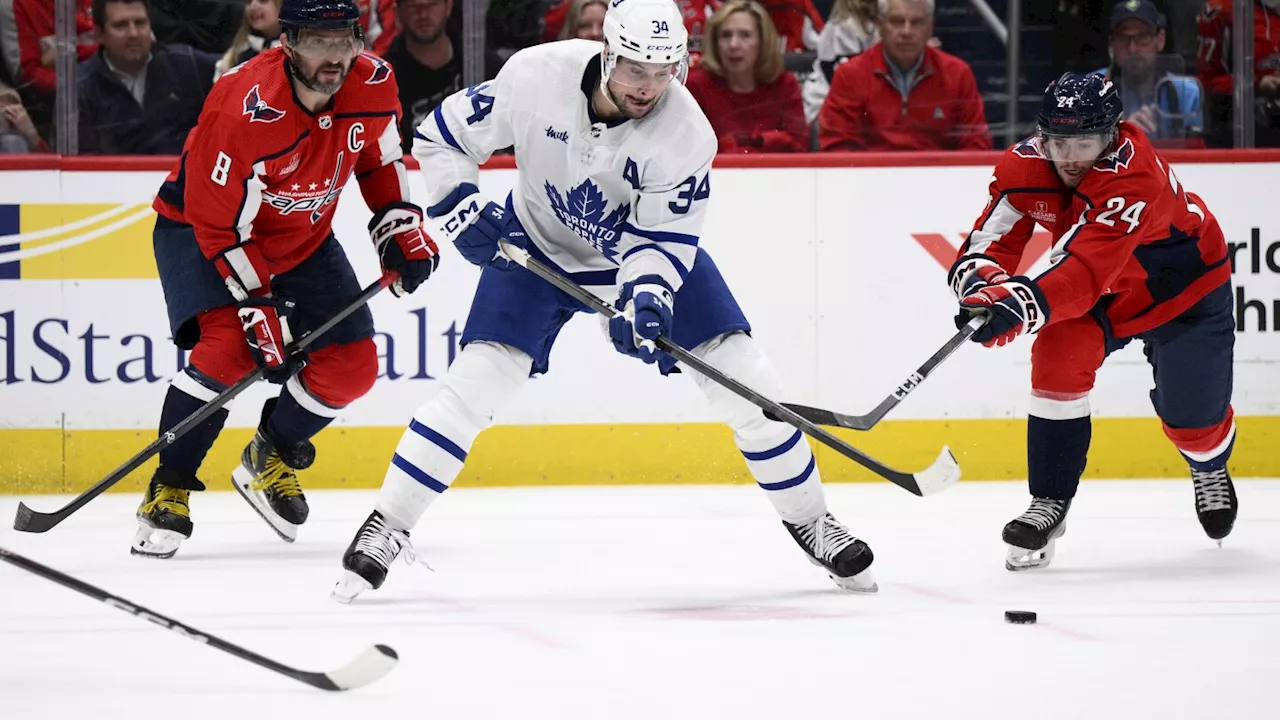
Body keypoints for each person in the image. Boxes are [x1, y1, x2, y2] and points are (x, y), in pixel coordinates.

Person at [332, 0, 876, 602]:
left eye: (663, 70)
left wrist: (645, 297)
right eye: (636, 69)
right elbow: (441, 135)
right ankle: (389, 523)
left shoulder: (688, 133)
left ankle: (812, 520)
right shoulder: (538, 74)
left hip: (632, 258)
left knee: (747, 378)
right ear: (608, 54)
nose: (649, 87)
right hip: (534, 248)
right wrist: (459, 206)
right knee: (475, 388)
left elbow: (662, 240)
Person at [134, 0, 442, 559]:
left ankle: (271, 450)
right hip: (202, 231)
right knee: (231, 349)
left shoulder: (373, 81)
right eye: (320, 41)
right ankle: (169, 488)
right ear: (289, 42)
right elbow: (219, 223)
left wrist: (397, 225)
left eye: (344, 39)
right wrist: (258, 303)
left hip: (301, 237)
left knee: (352, 366)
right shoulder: (241, 106)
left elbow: (380, 158)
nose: (336, 55)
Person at [948, 72, 1236, 571]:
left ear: (1112, 134)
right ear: (1042, 136)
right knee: (1057, 358)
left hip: (1182, 286)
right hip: (1104, 295)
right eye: (1060, 141)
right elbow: (986, 245)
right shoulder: (1025, 167)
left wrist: (1017, 304)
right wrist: (982, 289)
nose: (1072, 155)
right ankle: (1049, 503)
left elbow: (1082, 271)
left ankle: (1208, 462)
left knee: (1194, 426)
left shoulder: (1134, 173)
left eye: (1086, 141)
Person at [818, 0, 989, 151]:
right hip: (869, 182)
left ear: (930, 27)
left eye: (917, 22)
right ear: (880, 25)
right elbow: (837, 146)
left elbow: (976, 145)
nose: (907, 32)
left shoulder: (957, 74)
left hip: (938, 182)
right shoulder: (850, 75)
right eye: (897, 22)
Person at [77, 0, 220, 155]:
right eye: (121, 25)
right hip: (115, 178)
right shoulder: (81, 87)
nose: (133, 33)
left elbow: (237, 71)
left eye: (140, 23)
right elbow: (82, 166)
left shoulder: (188, 64)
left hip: (184, 175)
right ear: (99, 34)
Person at [685, 0, 808, 153]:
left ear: (763, 42)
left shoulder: (784, 85)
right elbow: (690, 153)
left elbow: (799, 148)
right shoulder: (696, 86)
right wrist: (768, 141)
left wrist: (742, 143)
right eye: (726, 35)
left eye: (745, 35)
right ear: (715, 42)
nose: (733, 44)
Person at [1097, 0, 1202, 143]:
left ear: (1160, 39)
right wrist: (1121, 134)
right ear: (1111, 43)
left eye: (1143, 37)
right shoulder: (1090, 89)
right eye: (1123, 38)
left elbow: (1196, 156)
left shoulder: (1186, 93)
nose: (1132, 49)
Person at [382, 0, 462, 152]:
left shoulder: (482, 65)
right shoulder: (383, 78)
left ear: (448, 6)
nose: (423, 14)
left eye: (432, 4)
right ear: (397, 12)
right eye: (413, 6)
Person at [214, 0, 283, 82]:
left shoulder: (294, 52)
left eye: (263, 1)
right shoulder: (239, 50)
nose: (253, 6)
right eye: (249, 2)